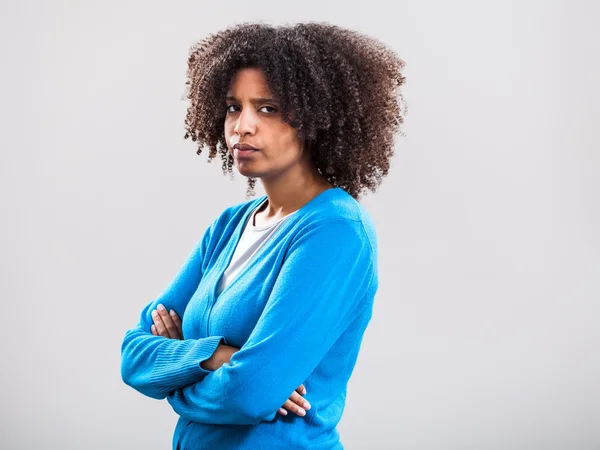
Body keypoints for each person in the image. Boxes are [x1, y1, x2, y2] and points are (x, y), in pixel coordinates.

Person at [120, 21, 407, 450]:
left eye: (267, 108)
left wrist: (178, 368)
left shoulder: (334, 232)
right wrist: (218, 356)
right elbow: (133, 356)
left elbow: (249, 394)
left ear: (316, 120)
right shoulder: (228, 226)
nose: (242, 127)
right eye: (234, 107)